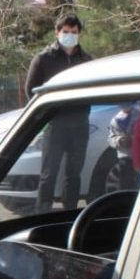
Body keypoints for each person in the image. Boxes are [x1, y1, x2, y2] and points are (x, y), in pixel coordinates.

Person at [26, 14, 94, 211]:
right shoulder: (43, 59)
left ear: (79, 33)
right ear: (57, 33)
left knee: (74, 173)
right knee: (49, 173)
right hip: (55, 124)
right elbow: (31, 91)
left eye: (73, 32)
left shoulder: (86, 60)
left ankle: (69, 212)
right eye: (65, 31)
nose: (69, 35)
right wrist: (44, 116)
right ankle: (43, 213)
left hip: (79, 124)